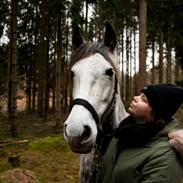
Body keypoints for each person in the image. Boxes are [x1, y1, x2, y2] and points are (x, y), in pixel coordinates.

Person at [96, 83, 183, 183]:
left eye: (144, 99)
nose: (135, 98)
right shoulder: (123, 132)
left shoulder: (165, 157)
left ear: (156, 113)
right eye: (139, 95)